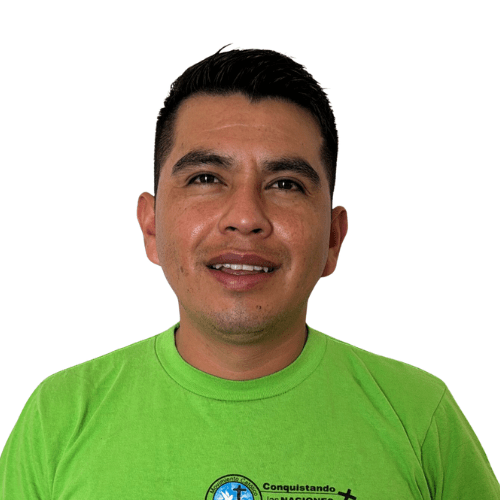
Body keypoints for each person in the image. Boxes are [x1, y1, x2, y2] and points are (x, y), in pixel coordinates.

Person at [1, 47, 498, 500]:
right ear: (151, 226)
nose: (245, 216)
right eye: (206, 178)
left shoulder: (420, 418)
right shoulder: (58, 418)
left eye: (285, 184)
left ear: (332, 239)